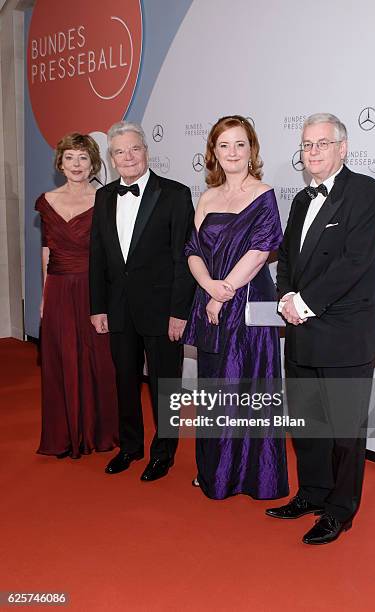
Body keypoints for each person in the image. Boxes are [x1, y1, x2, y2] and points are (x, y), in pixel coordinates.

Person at [266, 113, 375, 544]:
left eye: (321, 143)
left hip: (343, 334)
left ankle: (339, 510)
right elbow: (288, 260)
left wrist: (304, 302)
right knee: (307, 424)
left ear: (343, 147)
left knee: (343, 432)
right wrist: (284, 298)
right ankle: (313, 494)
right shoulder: (300, 199)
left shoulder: (366, 193)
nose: (312, 151)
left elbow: (355, 262)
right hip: (300, 331)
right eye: (306, 145)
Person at [183, 115, 289, 500]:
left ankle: (253, 475)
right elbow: (193, 251)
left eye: (240, 144)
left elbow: (261, 250)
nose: (232, 152)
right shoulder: (207, 196)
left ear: (251, 150)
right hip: (210, 299)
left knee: (249, 383)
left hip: (248, 300)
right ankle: (215, 471)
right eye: (224, 145)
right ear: (213, 151)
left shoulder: (264, 193)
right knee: (215, 386)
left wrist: (221, 291)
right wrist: (208, 285)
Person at [89, 121, 196, 481]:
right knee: (125, 380)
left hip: (163, 310)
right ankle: (130, 447)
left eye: (135, 148)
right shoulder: (104, 196)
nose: (129, 156)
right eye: (120, 151)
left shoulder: (175, 194)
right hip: (119, 309)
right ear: (112, 158)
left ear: (146, 151)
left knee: (166, 385)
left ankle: (163, 453)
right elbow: (98, 257)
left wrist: (180, 312)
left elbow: (185, 258)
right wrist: (98, 306)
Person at [36, 133, 118, 459]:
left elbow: (111, 253)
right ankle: (64, 434)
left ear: (93, 163)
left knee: (97, 359)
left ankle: (98, 431)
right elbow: (46, 251)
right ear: (60, 162)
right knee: (60, 359)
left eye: (83, 158)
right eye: (70, 158)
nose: (76, 165)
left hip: (93, 286)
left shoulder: (105, 198)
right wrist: (43, 295)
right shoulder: (46, 200)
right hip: (57, 287)